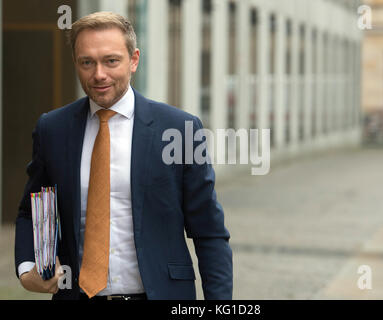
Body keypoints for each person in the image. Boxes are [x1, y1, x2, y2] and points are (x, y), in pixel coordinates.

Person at [14, 11, 232, 300]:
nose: (99, 74)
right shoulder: (52, 129)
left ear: (133, 60)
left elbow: (209, 231)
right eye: (87, 62)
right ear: (76, 63)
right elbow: (33, 209)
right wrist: (28, 266)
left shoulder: (180, 129)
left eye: (111, 60)